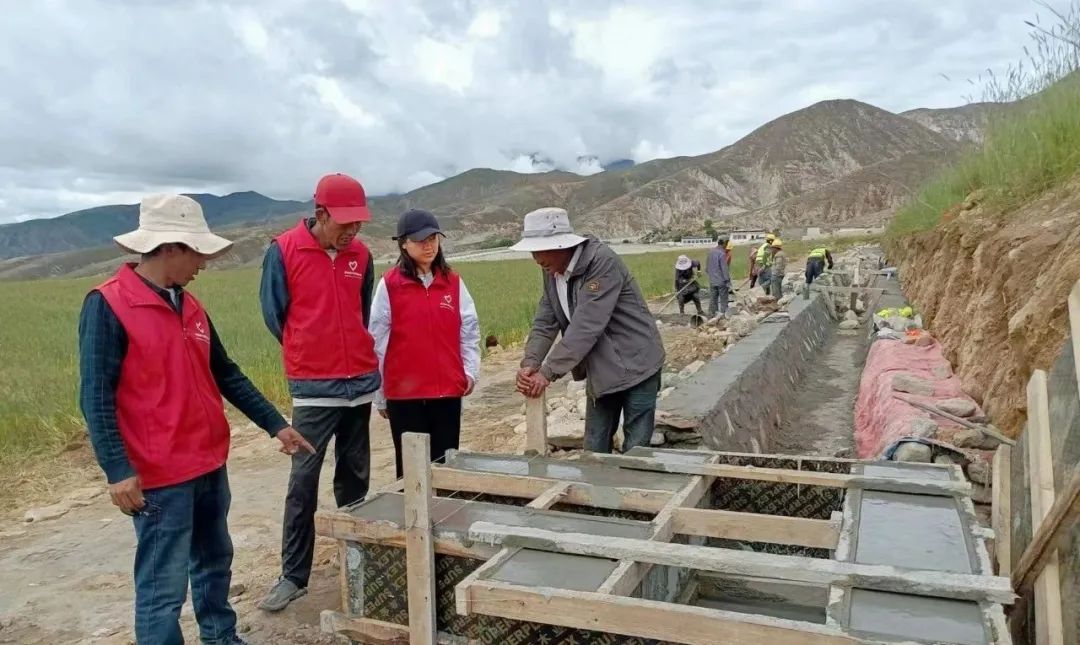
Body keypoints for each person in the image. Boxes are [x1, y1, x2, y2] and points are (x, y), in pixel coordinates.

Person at [78, 194, 315, 645]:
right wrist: (117, 469)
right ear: (169, 248)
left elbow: (225, 373)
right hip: (158, 474)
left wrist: (275, 424)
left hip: (207, 464)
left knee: (213, 564)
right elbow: (95, 396)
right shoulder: (107, 305)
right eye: (197, 253)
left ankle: (221, 638)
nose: (203, 263)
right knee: (162, 587)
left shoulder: (191, 306)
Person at [257, 173, 381, 612]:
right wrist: (309, 350)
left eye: (358, 223)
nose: (352, 232)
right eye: (344, 223)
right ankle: (293, 576)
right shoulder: (284, 251)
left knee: (356, 477)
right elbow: (276, 317)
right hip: (314, 389)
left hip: (360, 384)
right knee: (303, 482)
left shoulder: (361, 256)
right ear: (320, 214)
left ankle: (359, 559)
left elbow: (362, 311)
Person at [513, 207, 665, 454]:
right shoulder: (551, 270)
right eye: (532, 251)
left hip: (638, 363)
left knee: (636, 450)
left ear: (561, 246)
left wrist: (548, 372)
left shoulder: (601, 262)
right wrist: (531, 362)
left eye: (539, 251)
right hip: (603, 368)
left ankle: (635, 490)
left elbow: (586, 326)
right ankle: (598, 492)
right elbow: (545, 320)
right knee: (594, 448)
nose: (536, 259)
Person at [370, 209, 481, 477]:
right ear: (404, 243)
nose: (429, 245)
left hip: (446, 391)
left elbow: (469, 331)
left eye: (433, 238)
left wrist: (470, 372)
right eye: (421, 240)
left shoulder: (452, 282)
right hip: (405, 395)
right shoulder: (390, 285)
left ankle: (446, 517)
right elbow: (376, 342)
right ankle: (413, 520)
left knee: (446, 466)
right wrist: (380, 394)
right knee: (412, 472)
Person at [706, 236, 731, 318]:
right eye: (726, 243)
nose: (726, 245)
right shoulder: (722, 253)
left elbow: (706, 269)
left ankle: (713, 316)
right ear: (724, 243)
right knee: (724, 300)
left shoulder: (710, 252)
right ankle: (723, 316)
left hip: (712, 281)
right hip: (721, 281)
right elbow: (724, 268)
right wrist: (727, 280)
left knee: (713, 299)